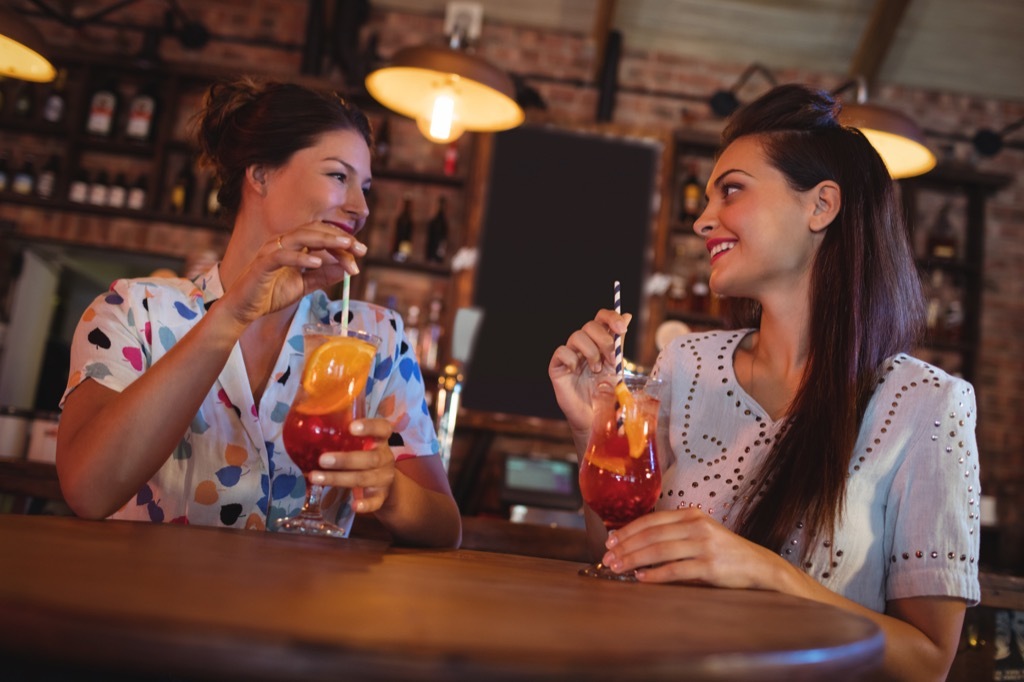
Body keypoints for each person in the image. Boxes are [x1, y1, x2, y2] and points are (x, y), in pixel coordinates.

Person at [550, 84, 979, 680]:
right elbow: (613, 555)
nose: (702, 220)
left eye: (732, 190)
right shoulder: (685, 364)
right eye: (706, 199)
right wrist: (590, 429)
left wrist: (763, 571)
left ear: (820, 206)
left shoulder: (929, 404)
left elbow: (929, 661)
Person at [56, 77, 461, 548]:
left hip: (298, 615)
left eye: (365, 186)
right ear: (261, 173)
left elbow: (445, 528)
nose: (361, 206)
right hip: (151, 610)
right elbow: (88, 491)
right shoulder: (133, 313)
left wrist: (391, 493)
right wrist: (229, 318)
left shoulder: (375, 337)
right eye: (338, 176)